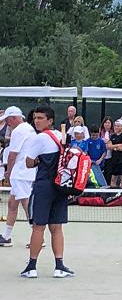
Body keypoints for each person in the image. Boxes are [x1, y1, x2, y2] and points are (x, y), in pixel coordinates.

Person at [19, 105, 74, 279]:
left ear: (50, 121)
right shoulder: (61, 136)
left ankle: (31, 267)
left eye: (40, 118)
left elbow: (28, 163)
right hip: (61, 187)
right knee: (56, 228)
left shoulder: (39, 138)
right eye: (35, 118)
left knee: (38, 227)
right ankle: (59, 267)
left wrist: (37, 162)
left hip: (44, 187)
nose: (36, 121)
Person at [0, 107, 36, 248]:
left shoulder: (19, 130)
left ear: (14, 118)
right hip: (24, 173)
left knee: (26, 204)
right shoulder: (27, 128)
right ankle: (6, 236)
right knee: (12, 204)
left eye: (8, 120)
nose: (7, 123)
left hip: (21, 173)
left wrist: (8, 172)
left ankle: (37, 236)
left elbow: (12, 154)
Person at [107, 119, 122, 188]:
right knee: (113, 179)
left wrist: (114, 146)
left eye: (118, 126)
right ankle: (113, 195)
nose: (116, 127)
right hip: (114, 160)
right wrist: (117, 146)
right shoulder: (112, 136)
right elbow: (109, 146)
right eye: (115, 126)